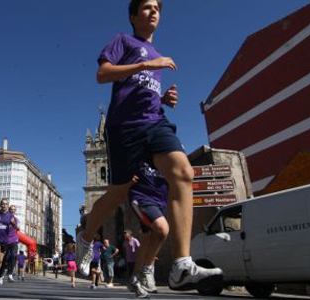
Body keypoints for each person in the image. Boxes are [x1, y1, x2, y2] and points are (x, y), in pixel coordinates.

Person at [75, 0, 222, 297]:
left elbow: (143, 90)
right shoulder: (124, 41)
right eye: (146, 7)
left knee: (183, 172)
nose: (154, 10)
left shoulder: (157, 53)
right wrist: (145, 64)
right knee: (116, 193)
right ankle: (86, 236)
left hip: (155, 121)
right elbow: (102, 75)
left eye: (157, 7)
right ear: (133, 16)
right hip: (124, 128)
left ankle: (181, 264)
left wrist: (162, 99)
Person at [0, 205, 20, 283]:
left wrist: (13, 223)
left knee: (14, 255)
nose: (12, 211)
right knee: (5, 259)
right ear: (9, 210)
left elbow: (17, 228)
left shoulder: (17, 219)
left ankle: (10, 274)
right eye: (11, 209)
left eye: (14, 210)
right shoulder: (4, 219)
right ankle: (0, 276)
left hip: (14, 240)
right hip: (5, 241)